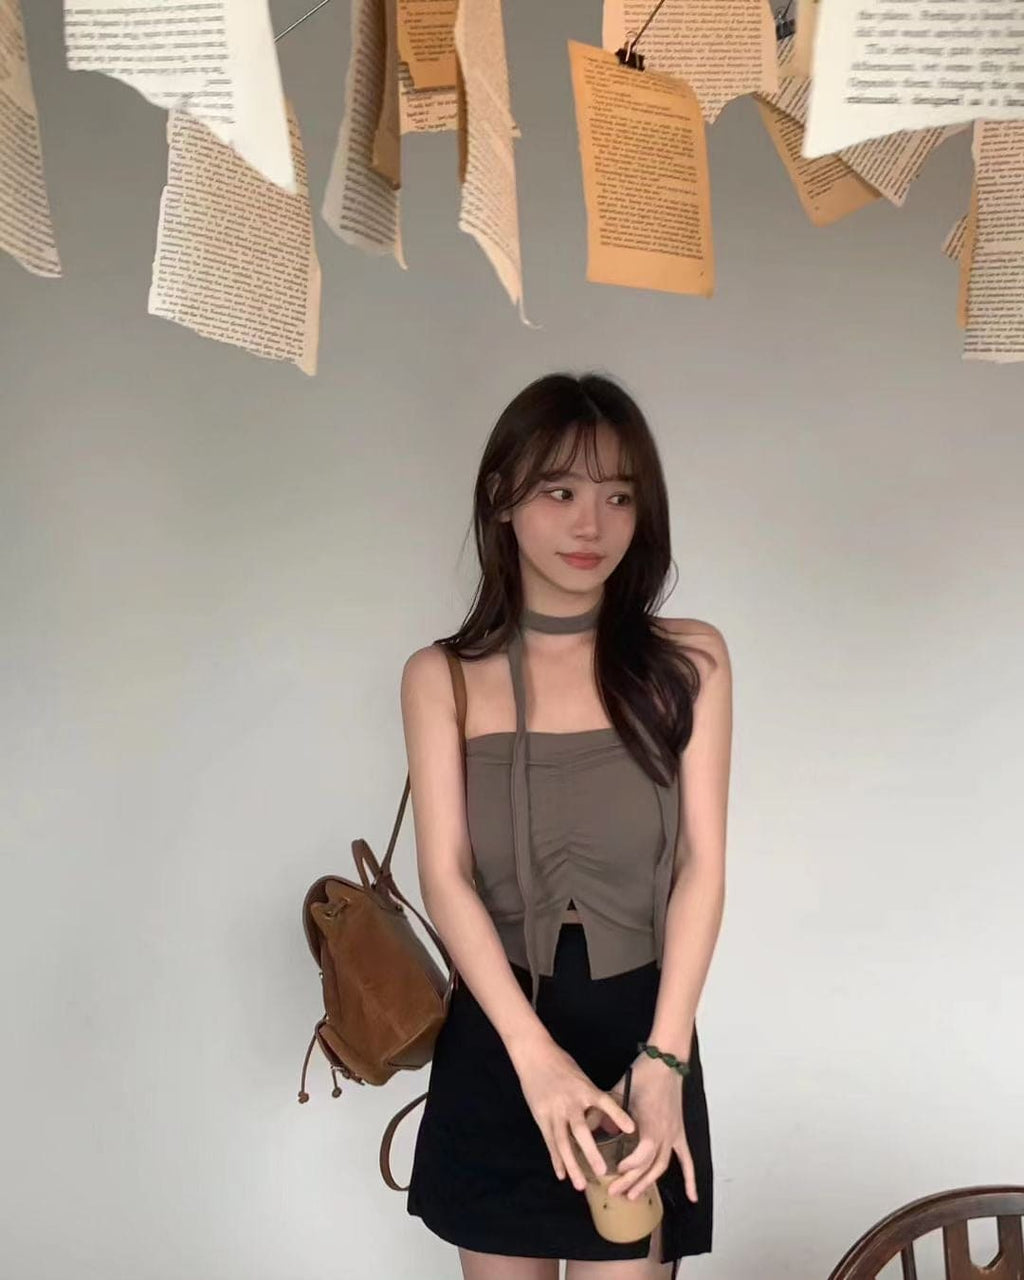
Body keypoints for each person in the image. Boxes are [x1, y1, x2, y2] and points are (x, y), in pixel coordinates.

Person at [399, 371, 732, 1280]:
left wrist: (664, 1059)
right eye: (560, 491)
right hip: (502, 1033)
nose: (592, 524)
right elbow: (445, 877)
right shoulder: (441, 677)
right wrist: (533, 1058)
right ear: (502, 498)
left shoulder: (689, 661)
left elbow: (702, 865)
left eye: (619, 496)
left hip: (643, 1036)